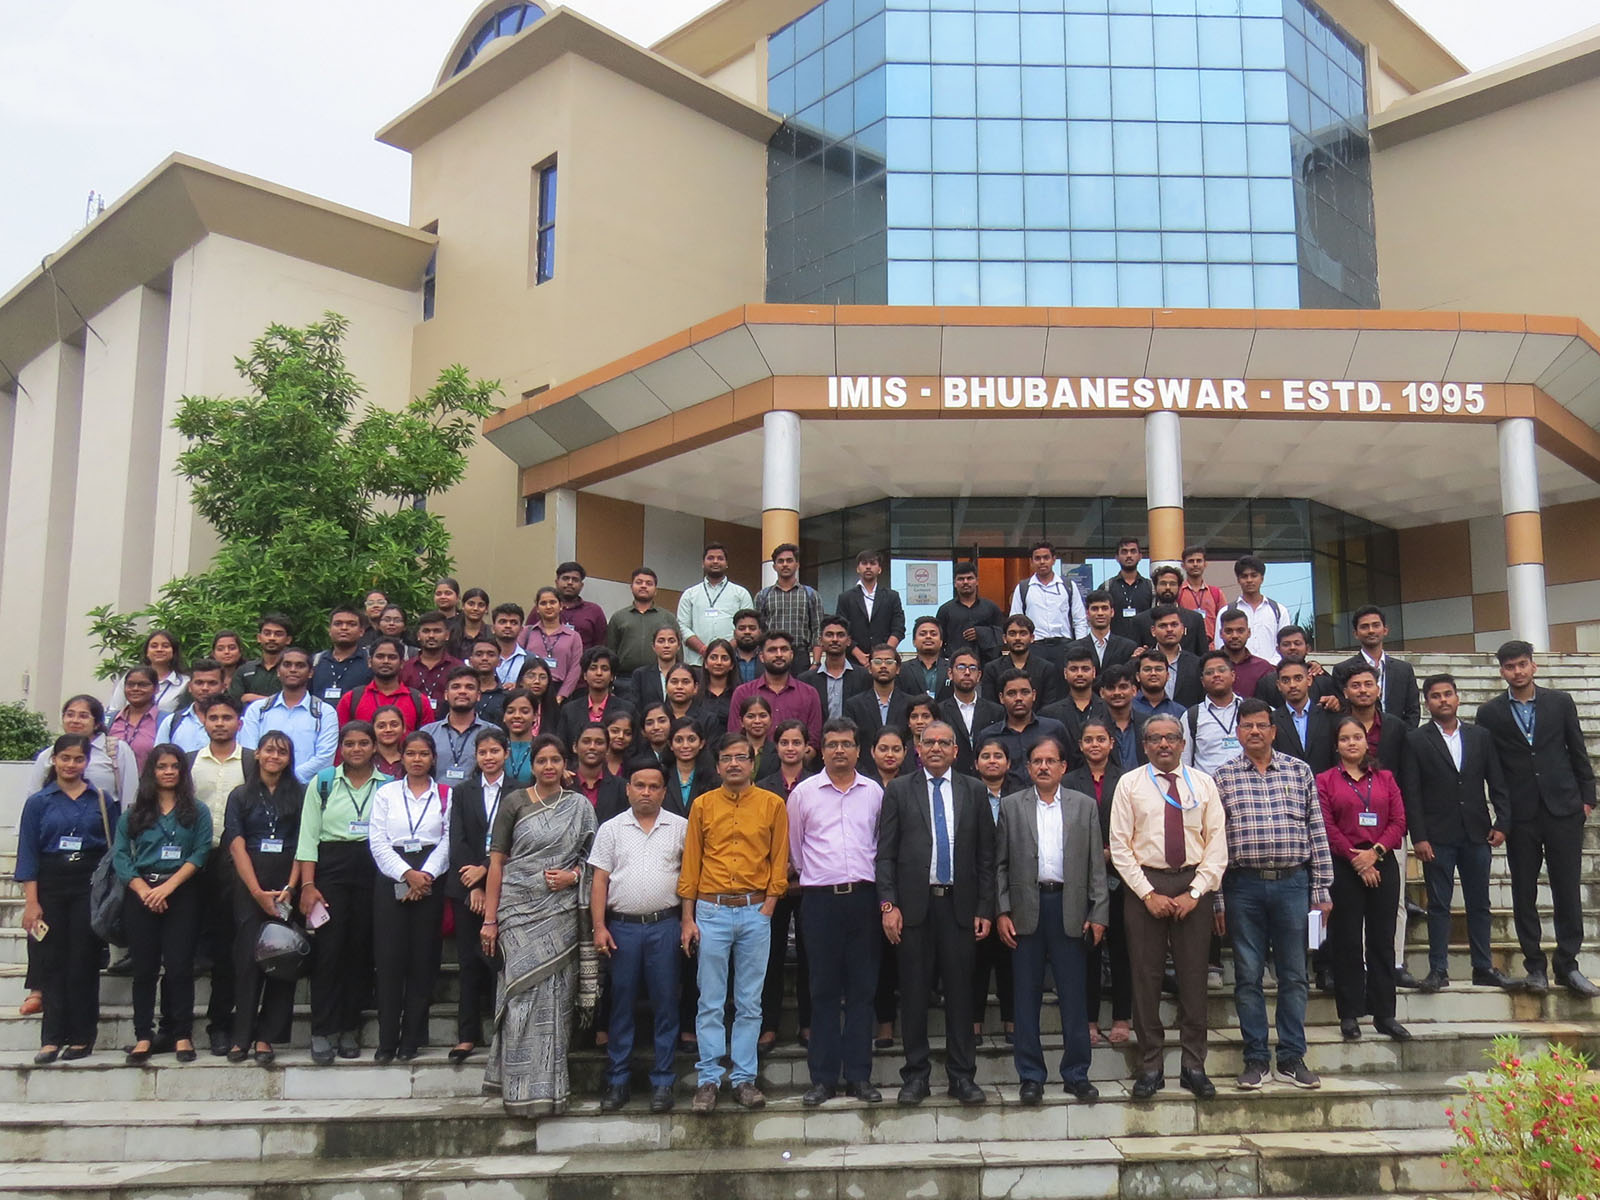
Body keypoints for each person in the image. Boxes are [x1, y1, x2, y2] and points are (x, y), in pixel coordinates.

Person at [1212, 699, 1333, 1091]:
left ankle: (1292, 1057)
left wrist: (1321, 888)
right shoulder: (1223, 777)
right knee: (1247, 975)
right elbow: (1214, 840)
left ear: (1273, 730)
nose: (1255, 732)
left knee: (1294, 975)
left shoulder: (1299, 771)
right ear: (1238, 732)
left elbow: (1316, 829)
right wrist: (1217, 897)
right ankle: (1256, 1059)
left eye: (1261, 725)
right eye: (1247, 726)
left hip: (1293, 884)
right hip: (1242, 886)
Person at [1108, 715, 1228, 1099]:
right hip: (1144, 885)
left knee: (1194, 979)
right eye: (1156, 738)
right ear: (1145, 745)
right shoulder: (1130, 784)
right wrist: (1148, 894)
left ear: (1183, 743)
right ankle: (1150, 1066)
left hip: (1193, 884)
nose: (1164, 744)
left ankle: (1194, 1066)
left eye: (1171, 738)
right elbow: (1120, 847)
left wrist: (1195, 892)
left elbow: (1217, 845)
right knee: (1145, 979)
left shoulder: (1203, 783)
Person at [876, 721, 993, 1106]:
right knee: (913, 994)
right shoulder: (898, 790)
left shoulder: (974, 790)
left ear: (956, 751)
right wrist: (888, 904)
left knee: (961, 995)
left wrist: (985, 907)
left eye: (945, 743)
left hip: (960, 907)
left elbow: (986, 856)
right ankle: (916, 1076)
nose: (937, 748)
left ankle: (962, 1076)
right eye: (930, 742)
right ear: (918, 749)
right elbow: (885, 854)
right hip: (913, 909)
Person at [482, 735, 599, 1112]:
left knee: (555, 1000)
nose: (549, 767)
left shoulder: (579, 806)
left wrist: (572, 877)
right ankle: (516, 1089)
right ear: (531, 765)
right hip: (517, 912)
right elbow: (497, 864)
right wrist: (489, 920)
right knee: (519, 996)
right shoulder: (514, 802)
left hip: (561, 913)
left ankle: (551, 1090)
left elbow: (595, 862)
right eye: (542, 761)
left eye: (555, 760)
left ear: (566, 765)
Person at [1476, 640, 1599, 998]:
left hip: (1563, 809)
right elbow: (1492, 769)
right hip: (1521, 814)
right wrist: (1503, 815)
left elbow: (1576, 749)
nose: (1517, 671)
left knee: (1567, 888)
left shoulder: (1560, 702)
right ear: (1502, 671)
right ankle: (1535, 966)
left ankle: (1568, 964)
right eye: (1510, 666)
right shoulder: (1490, 713)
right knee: (1523, 890)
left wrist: (1587, 800)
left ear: (1533, 665)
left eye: (1522, 664)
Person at [678, 732, 789, 1114]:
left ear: (753, 762)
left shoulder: (773, 805)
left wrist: (769, 907)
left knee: (749, 1002)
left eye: (741, 757)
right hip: (711, 911)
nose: (734, 764)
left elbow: (779, 860)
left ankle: (744, 1078)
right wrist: (688, 918)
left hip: (755, 910)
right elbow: (691, 864)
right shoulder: (703, 805)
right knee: (710, 999)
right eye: (726, 758)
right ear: (718, 765)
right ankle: (708, 1079)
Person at [995, 735, 1106, 1104]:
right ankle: (1031, 1076)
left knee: (1074, 995)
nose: (1043, 767)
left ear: (1063, 767)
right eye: (1037, 762)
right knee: (1025, 997)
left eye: (1050, 761)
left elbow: (1096, 865)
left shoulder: (1083, 806)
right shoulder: (1011, 806)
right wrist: (1002, 910)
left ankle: (1077, 1074)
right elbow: (1000, 865)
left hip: (1070, 908)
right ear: (1028, 768)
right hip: (1025, 909)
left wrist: (1098, 912)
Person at [786, 718, 885, 1106]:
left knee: (862, 989)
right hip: (820, 901)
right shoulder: (803, 794)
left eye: (846, 744)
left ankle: (859, 1077)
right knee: (823, 990)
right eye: (832, 744)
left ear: (859, 751)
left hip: (863, 899)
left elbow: (879, 842)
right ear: (821, 751)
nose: (839, 750)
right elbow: (796, 850)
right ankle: (823, 1079)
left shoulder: (873, 792)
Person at [1403, 674, 1516, 993]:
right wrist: (1418, 836)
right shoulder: (1416, 740)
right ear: (1427, 702)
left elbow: (1497, 781)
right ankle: (1438, 969)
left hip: (1477, 832)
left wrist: (1502, 822)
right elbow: (1411, 791)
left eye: (1447, 694)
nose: (1443, 700)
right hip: (1436, 836)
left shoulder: (1480, 736)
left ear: (1457, 697)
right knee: (1439, 905)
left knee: (1479, 903)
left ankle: (1483, 967)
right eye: (1435, 695)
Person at [591, 757, 688, 1113]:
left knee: (666, 1004)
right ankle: (617, 1080)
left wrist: (687, 921)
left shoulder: (680, 827)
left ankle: (663, 1081)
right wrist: (599, 926)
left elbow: (689, 880)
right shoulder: (611, 829)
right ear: (628, 788)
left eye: (654, 786)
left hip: (665, 926)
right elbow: (599, 880)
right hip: (622, 929)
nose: (646, 792)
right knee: (621, 1005)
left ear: (663, 791)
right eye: (640, 785)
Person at [17, 734, 116, 1063]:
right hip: (50, 883)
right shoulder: (39, 802)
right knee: (51, 961)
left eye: (78, 759)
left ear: (87, 762)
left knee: (83, 961)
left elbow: (115, 848)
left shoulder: (101, 799)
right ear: (54, 760)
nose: (71, 765)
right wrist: (32, 902)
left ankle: (82, 1036)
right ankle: (51, 1038)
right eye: (65, 758)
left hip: (89, 883)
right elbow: (28, 854)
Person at [113, 744, 212, 1064]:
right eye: (161, 766)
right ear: (151, 772)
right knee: (144, 969)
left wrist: (168, 887)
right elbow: (120, 855)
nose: (168, 772)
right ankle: (144, 1035)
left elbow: (200, 852)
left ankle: (182, 1034)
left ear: (183, 771)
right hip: (142, 893)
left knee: (180, 967)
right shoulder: (135, 812)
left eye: (174, 766)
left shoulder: (197, 811)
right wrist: (144, 890)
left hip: (181, 892)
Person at [1317, 715, 1410, 1043]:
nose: (1351, 743)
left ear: (1366, 741)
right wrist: (1357, 859)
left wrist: (1376, 853)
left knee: (1382, 940)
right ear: (1336, 745)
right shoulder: (1325, 780)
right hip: (1344, 866)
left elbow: (1399, 821)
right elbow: (1326, 826)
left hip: (1382, 863)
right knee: (1347, 941)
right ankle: (1350, 1013)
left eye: (1357, 737)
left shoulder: (1385, 778)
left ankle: (1385, 1013)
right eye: (1344, 738)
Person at [296, 722, 383, 1065]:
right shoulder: (323, 783)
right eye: (349, 744)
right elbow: (307, 837)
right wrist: (307, 884)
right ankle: (322, 1029)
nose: (356, 749)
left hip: (372, 868)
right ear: (340, 748)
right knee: (329, 951)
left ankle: (349, 1028)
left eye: (363, 743)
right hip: (330, 869)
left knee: (360, 951)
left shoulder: (387, 785)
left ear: (374, 747)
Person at [368, 731, 451, 1063]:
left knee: (423, 960)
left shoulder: (445, 794)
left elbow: (448, 839)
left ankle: (411, 1040)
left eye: (424, 754)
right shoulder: (386, 793)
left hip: (431, 876)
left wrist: (425, 875)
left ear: (433, 758)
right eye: (411, 753)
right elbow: (377, 841)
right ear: (401, 757)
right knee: (389, 961)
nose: (417, 759)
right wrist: (406, 874)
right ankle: (387, 1040)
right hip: (392, 875)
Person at [221, 730, 301, 1063]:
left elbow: (304, 843)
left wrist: (290, 888)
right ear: (257, 754)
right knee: (247, 959)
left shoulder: (300, 793)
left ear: (289, 758)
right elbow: (236, 844)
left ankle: (267, 1037)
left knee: (282, 955)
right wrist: (256, 891)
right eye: (269, 750)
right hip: (249, 881)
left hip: (287, 882)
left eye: (282, 752)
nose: (274, 757)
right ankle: (242, 1035)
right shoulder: (240, 795)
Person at [186, 691, 251, 1057]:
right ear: (204, 721)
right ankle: (176, 1027)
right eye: (214, 718)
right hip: (192, 862)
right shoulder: (188, 762)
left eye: (227, 717)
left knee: (228, 945)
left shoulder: (253, 761)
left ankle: (221, 1024)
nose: (220, 723)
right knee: (188, 944)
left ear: (239, 723)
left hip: (235, 864)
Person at [1066, 717, 1131, 1047]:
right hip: (1080, 875)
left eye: (1101, 739)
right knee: (1086, 949)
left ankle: (1121, 1017)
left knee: (1121, 948)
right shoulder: (1068, 780)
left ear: (1111, 743)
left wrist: (1111, 853)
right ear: (1080, 745)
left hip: (1120, 875)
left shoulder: (1128, 779)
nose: (1095, 745)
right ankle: (1089, 1020)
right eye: (1089, 739)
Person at [754, 719, 814, 1051]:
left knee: (811, 955)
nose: (791, 748)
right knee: (770, 955)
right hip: (769, 883)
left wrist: (798, 866)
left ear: (807, 747)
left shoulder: (817, 784)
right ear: (775, 747)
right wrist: (779, 868)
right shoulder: (762, 787)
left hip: (810, 881)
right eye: (785, 742)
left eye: (796, 742)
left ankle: (808, 1023)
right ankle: (769, 1025)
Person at [969, 735, 1015, 1046]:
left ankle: (1012, 1020)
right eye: (985, 756)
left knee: (1010, 958)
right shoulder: (968, 795)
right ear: (976, 763)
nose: (992, 761)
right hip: (976, 887)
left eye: (998, 756)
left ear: (1008, 763)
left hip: (1014, 886)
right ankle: (974, 1023)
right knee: (977, 959)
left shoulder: (1021, 795)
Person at [240, 647, 338, 783]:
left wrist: (289, 778)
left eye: (300, 665)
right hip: (263, 786)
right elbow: (249, 751)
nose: (293, 669)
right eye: (287, 665)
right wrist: (270, 777)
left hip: (306, 787)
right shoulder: (258, 709)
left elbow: (325, 758)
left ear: (310, 673)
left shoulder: (325, 713)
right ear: (278, 671)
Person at [728, 629, 822, 752]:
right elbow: (734, 738)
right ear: (761, 657)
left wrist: (792, 757)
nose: (779, 654)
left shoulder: (809, 694)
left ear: (791, 655)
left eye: (784, 649)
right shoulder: (743, 693)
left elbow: (814, 743)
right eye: (772, 650)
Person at [977, 670, 1070, 794]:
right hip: (1004, 803)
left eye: (1025, 692)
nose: (1019, 698)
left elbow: (1070, 768)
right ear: (1001, 698)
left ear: (1034, 695)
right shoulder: (989, 736)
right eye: (1011, 693)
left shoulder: (1054, 729)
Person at [1008, 541, 1087, 668]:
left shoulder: (1068, 586)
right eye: (1037, 558)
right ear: (1031, 561)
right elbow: (1015, 620)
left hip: (1065, 646)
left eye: (1046, 557)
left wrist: (1079, 647)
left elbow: (1080, 619)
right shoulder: (1023, 588)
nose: (1042, 562)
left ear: (1053, 560)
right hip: (1035, 646)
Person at [1338, 606, 1420, 728]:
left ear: (1385, 630)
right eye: (1364, 627)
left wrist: (1403, 735)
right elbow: (1342, 710)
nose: (1371, 631)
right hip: (1359, 736)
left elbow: (1413, 711)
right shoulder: (1342, 669)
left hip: (1398, 736)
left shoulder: (1404, 670)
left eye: (1376, 625)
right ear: (1356, 634)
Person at [678, 543, 754, 667]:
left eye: (720, 558)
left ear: (726, 563)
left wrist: (725, 651)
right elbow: (682, 626)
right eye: (710, 558)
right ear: (703, 563)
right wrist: (703, 649)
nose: (715, 561)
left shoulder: (741, 593)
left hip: (731, 663)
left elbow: (748, 627)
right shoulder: (689, 594)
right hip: (697, 663)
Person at [420, 667, 499, 786]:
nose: (462, 691)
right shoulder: (428, 733)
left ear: (478, 695)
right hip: (436, 796)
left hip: (478, 796)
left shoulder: (493, 733)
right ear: (446, 695)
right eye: (456, 687)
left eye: (469, 687)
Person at [337, 638, 435, 731]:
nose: (386, 661)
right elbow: (342, 738)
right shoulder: (351, 699)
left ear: (402, 663)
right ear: (370, 662)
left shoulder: (419, 701)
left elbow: (427, 738)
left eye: (392, 657)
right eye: (380, 657)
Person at [756, 543, 823, 666]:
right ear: (774, 566)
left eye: (789, 560)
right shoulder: (763, 596)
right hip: (772, 654)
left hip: (800, 655)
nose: (785, 564)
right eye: (780, 561)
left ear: (797, 564)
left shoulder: (810, 594)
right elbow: (759, 631)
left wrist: (816, 662)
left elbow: (817, 630)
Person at [836, 549, 906, 668]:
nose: (868, 567)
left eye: (872, 563)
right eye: (864, 563)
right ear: (858, 568)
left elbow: (898, 628)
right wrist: (858, 654)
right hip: (854, 660)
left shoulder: (892, 596)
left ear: (879, 569)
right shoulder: (846, 598)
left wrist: (884, 653)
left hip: (885, 662)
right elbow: (841, 629)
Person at [1039, 644, 1108, 762]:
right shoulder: (1049, 713)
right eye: (1074, 669)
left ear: (1094, 672)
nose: (1079, 674)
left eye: (1085, 669)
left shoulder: (1109, 709)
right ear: (1065, 673)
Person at [605, 568, 680, 677]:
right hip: (625, 678)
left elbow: (678, 652)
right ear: (631, 587)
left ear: (656, 590)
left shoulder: (668, 618)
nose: (643, 586)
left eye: (649, 583)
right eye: (639, 582)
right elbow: (610, 650)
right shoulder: (618, 617)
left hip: (659, 676)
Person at [941, 648, 1004, 776]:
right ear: (950, 673)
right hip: (953, 777)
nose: (967, 672)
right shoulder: (940, 711)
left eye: (972, 668)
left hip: (987, 777)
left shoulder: (996, 711)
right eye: (961, 667)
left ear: (979, 675)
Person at [1269, 658, 1337, 775]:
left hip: (1324, 783)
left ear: (1309, 680)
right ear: (1279, 685)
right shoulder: (1272, 720)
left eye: (1298, 678)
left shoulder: (1328, 716)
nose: (1292, 685)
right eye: (1286, 680)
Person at [555, 648, 631, 749]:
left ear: (612, 676)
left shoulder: (627, 709)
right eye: (593, 668)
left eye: (604, 669)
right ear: (585, 675)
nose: (599, 673)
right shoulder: (569, 710)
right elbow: (562, 748)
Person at [1182, 652, 1243, 776]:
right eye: (1209, 672)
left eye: (1222, 670)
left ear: (1233, 675)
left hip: (1248, 784)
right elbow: (1184, 761)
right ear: (1202, 681)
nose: (1216, 675)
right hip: (1207, 786)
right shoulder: (1191, 716)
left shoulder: (1250, 711)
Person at [518, 586, 584, 698]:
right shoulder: (527, 632)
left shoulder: (573, 637)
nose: (548, 607)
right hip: (528, 690)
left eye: (552, 602)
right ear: (537, 608)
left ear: (561, 606)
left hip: (558, 690)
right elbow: (518, 661)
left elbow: (575, 669)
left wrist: (561, 696)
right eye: (543, 603)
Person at [1221, 556, 1289, 663]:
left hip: (1272, 668)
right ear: (1238, 580)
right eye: (1244, 576)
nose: (1249, 580)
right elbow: (1220, 647)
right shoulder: (1226, 611)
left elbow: (1286, 644)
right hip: (1238, 669)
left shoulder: (1278, 611)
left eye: (1254, 575)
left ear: (1262, 578)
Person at [801, 615, 868, 720]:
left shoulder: (863, 676)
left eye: (840, 635)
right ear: (820, 641)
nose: (835, 639)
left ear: (848, 641)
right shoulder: (806, 680)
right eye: (829, 635)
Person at [109, 629, 190, 716]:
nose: (159, 649)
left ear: (173, 652)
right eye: (154, 646)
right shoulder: (131, 678)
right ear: (147, 652)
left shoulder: (185, 683)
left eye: (165, 646)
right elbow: (114, 710)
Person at [937, 561, 1005, 664]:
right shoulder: (945, 610)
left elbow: (1002, 634)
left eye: (969, 578)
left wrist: (981, 633)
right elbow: (939, 641)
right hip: (956, 666)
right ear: (955, 583)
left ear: (977, 581)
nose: (965, 582)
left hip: (987, 664)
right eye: (961, 579)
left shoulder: (991, 608)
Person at [981, 615, 1058, 705]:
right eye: (1012, 634)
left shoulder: (1046, 668)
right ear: (1004, 638)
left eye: (1023, 633)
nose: (1017, 638)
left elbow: (1048, 706)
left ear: (1032, 638)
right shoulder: (992, 669)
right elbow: (989, 705)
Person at [1131, 566, 1208, 656]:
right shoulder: (1140, 620)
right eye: (1163, 584)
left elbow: (1203, 655)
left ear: (1179, 587)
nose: (1168, 588)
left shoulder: (1195, 619)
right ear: (1155, 587)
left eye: (1172, 584)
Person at [845, 644, 913, 741]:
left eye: (889, 662)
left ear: (898, 669)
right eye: (877, 662)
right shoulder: (854, 705)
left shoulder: (910, 704)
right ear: (869, 668)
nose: (883, 666)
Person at [155, 659, 225, 754]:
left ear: (223, 687)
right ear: (189, 687)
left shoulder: (236, 722)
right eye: (199, 683)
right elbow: (160, 758)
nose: (205, 688)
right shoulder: (171, 722)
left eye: (212, 683)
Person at [309, 607, 372, 705]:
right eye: (338, 624)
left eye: (351, 624)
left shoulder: (370, 661)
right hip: (319, 714)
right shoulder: (315, 661)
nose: (344, 628)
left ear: (361, 631)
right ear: (329, 630)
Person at [402, 612, 465, 705]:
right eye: (426, 631)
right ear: (418, 635)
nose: (431, 635)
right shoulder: (406, 668)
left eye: (437, 631)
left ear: (447, 635)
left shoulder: (458, 668)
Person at [1147, 604, 1204, 707]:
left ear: (1182, 628)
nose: (1169, 629)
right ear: (1153, 631)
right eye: (1163, 626)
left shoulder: (1197, 664)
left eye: (1174, 625)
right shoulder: (1140, 663)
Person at [108, 666, 162, 771]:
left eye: (143, 685)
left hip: (149, 780)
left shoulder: (166, 721)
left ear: (156, 688)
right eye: (130, 684)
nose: (135, 689)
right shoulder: (110, 720)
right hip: (113, 779)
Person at [1216, 609, 1276, 701]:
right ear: (1221, 634)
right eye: (1229, 631)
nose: (1235, 636)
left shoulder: (1263, 668)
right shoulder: (1210, 667)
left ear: (1249, 633)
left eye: (1240, 631)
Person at [1097, 663, 1147, 772]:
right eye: (1111, 688)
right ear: (1102, 693)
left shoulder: (1148, 724)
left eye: (1123, 687)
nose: (1117, 693)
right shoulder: (1095, 727)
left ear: (1134, 690)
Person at [1079, 589, 1139, 676]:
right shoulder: (1075, 647)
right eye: (1095, 609)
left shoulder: (1128, 647)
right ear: (1087, 613)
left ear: (1112, 612)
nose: (1100, 613)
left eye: (1104, 608)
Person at [234, 615, 292, 704]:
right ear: (259, 638)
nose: (272, 638)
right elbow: (234, 702)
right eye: (267, 633)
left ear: (288, 640)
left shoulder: (293, 671)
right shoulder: (245, 670)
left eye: (278, 634)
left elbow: (295, 702)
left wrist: (255, 698)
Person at [1104, 538, 1153, 642]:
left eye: (1133, 551)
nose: (1129, 555)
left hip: (1144, 646)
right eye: (1124, 552)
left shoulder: (1151, 587)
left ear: (1140, 556)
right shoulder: (1107, 587)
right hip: (1115, 646)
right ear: (1117, 557)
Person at [552, 561, 608, 650]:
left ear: (581, 585)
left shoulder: (594, 611)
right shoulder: (544, 608)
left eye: (575, 580)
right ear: (556, 582)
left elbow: (601, 644)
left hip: (583, 658)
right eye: (565, 578)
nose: (570, 582)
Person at [666, 718, 718, 813]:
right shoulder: (662, 775)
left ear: (701, 743)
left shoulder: (713, 778)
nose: (685, 745)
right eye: (679, 740)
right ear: (670, 745)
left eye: (691, 739)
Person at [1178, 546, 1226, 646]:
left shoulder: (1216, 593)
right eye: (1191, 561)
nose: (1195, 564)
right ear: (1183, 565)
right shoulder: (1178, 593)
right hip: (1186, 646)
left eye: (1199, 561)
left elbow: (1225, 620)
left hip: (1211, 646)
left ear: (1205, 564)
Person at [628, 626, 683, 708]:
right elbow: (635, 706)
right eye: (661, 641)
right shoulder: (641, 675)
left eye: (671, 641)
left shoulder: (689, 674)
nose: (666, 645)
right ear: (653, 646)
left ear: (678, 646)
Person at [897, 617, 951, 699]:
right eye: (922, 634)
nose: (928, 637)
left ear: (941, 642)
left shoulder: (952, 668)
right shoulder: (901, 669)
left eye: (933, 634)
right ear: (914, 642)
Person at [696, 638, 739, 732]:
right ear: (706, 663)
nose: (719, 662)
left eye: (724, 658)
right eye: (713, 657)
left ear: (732, 665)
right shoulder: (696, 694)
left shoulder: (739, 694)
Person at [1132, 650, 1185, 723]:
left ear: (1167, 676)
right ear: (1138, 676)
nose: (1153, 673)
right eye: (1147, 669)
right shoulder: (1127, 708)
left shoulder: (1180, 712)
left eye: (1159, 669)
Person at [488, 602, 528, 688]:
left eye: (513, 623)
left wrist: (519, 687)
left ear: (521, 629)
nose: (508, 626)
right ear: (493, 628)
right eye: (503, 622)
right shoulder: (481, 658)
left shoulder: (530, 660)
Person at [728, 610, 766, 684]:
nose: (747, 632)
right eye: (742, 628)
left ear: (760, 632)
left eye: (752, 628)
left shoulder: (768, 657)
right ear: (734, 633)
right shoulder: (727, 658)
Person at [372, 706, 408, 780]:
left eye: (394, 725)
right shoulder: (366, 760)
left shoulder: (410, 759)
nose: (388, 730)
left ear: (404, 727)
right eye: (381, 726)